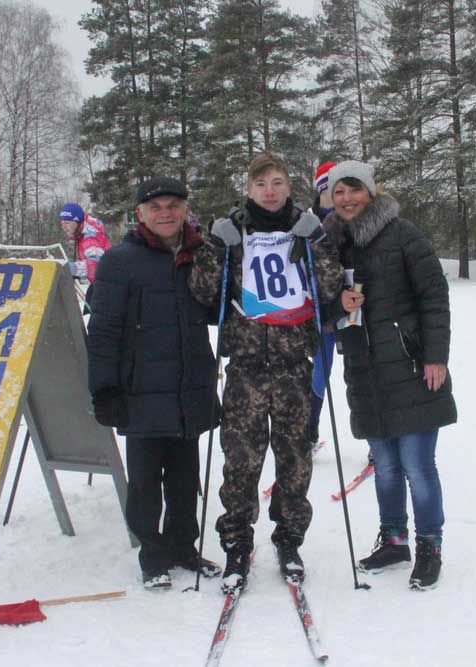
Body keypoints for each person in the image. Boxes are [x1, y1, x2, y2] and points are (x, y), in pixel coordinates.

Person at [188, 153, 343, 592]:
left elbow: (330, 289)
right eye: (261, 185)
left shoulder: (308, 228)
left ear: (289, 186)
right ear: (249, 189)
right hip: (247, 366)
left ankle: (289, 539)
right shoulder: (233, 230)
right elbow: (203, 294)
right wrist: (214, 248)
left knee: (294, 461)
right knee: (241, 461)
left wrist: (317, 243)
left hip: (295, 365)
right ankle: (236, 541)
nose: (269, 191)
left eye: (277, 183)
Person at [322, 160, 457, 591]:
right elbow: (322, 307)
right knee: (384, 466)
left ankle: (429, 546)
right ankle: (394, 538)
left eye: (354, 190)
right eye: (338, 192)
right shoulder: (330, 243)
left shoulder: (403, 235)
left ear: (371, 191)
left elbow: (434, 296)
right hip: (364, 368)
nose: (346, 199)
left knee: (417, 465)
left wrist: (436, 356)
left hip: (411, 365)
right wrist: (337, 306)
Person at [86, 177, 222, 589]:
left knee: (185, 475)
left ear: (185, 210)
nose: (166, 213)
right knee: (146, 480)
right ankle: (152, 553)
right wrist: (104, 389)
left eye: (173, 206)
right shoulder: (120, 261)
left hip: (187, 386)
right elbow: (104, 331)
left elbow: (218, 307)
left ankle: (184, 545)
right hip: (140, 389)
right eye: (156, 207)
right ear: (140, 214)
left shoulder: (201, 255)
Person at [307, 161, 338, 448]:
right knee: (319, 371)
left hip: (355, 308)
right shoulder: (309, 222)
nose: (335, 193)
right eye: (328, 187)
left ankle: (377, 441)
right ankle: (310, 430)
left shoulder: (354, 216)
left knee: (362, 374)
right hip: (321, 311)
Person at [58, 202, 111, 307]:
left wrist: (71, 268)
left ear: (77, 221)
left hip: (109, 287)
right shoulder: (82, 234)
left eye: (67, 222)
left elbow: (97, 267)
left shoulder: (90, 238)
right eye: (62, 223)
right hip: (101, 285)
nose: (64, 227)